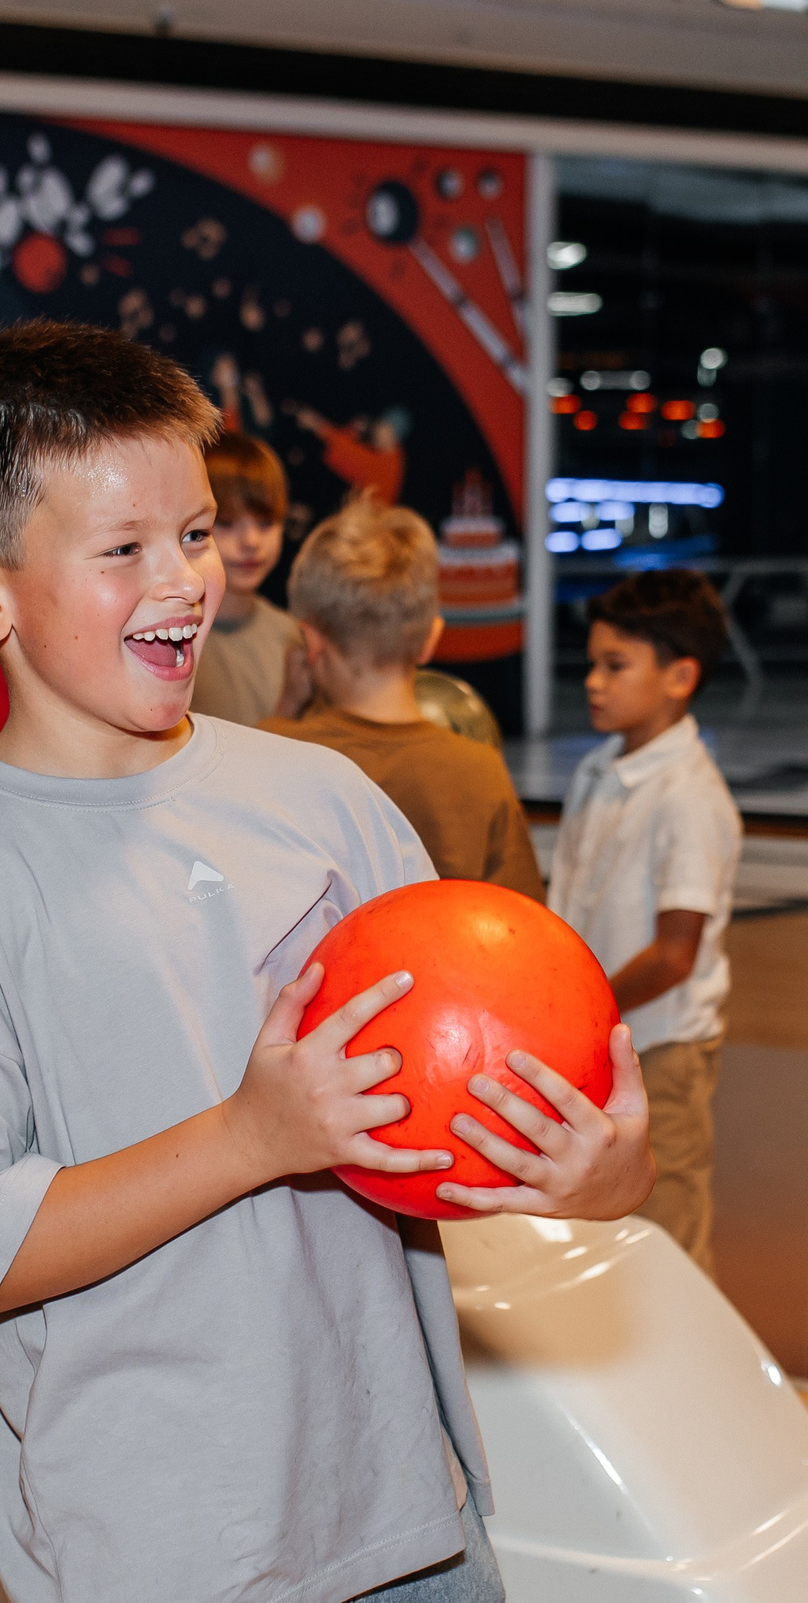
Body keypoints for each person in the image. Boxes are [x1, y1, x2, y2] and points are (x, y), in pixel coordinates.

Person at [0, 319, 651, 1603]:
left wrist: (596, 1172)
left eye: (196, 533)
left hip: (411, 1545)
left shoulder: (322, 798)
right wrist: (249, 1135)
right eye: (122, 549)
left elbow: (482, 1112)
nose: (184, 580)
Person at [548, 569, 742, 1276]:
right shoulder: (600, 768)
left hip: (660, 1051)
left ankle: (690, 1353)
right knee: (599, 1239)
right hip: (600, 1038)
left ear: (680, 676)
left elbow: (673, 954)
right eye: (591, 664)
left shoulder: (688, 794)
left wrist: (581, 1008)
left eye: (615, 666)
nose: (593, 682)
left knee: (669, 1243)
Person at [260, 492, 546, 900]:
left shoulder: (274, 751)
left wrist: (284, 712)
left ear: (311, 642)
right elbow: (521, 920)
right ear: (431, 638)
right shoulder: (481, 771)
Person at [186, 430, 301, 726]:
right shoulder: (172, 638)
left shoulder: (292, 637)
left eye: (265, 522)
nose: (251, 541)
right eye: (226, 523)